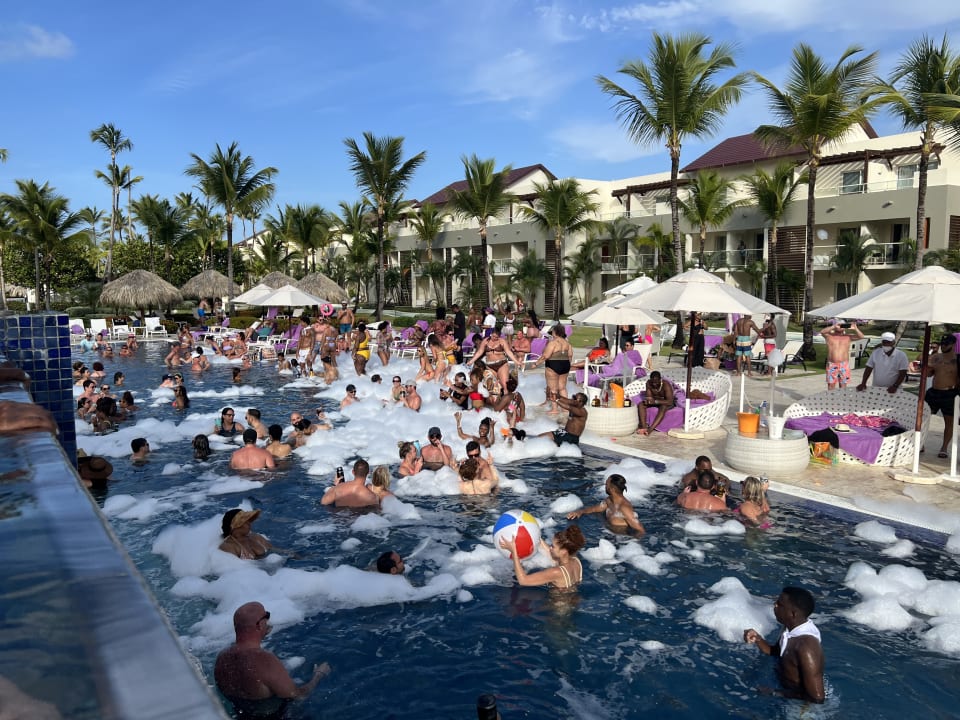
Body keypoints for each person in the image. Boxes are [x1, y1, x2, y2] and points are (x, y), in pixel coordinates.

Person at [215, 602, 332, 717]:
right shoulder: (264, 661)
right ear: (259, 625)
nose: (268, 621)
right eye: (266, 616)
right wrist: (318, 675)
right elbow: (299, 696)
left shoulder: (222, 658)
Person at [743, 587, 825, 703]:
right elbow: (776, 652)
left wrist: (774, 693)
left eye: (779, 604)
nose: (774, 605)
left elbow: (817, 698)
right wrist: (758, 638)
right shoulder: (790, 629)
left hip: (803, 707)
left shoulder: (806, 647)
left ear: (793, 614)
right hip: (788, 692)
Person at [500, 525, 585, 591]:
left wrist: (514, 551)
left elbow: (523, 580)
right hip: (573, 600)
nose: (550, 548)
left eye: (553, 546)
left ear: (564, 551)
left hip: (559, 605)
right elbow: (553, 555)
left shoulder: (556, 572)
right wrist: (535, 536)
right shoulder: (576, 561)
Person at [566, 474, 645, 534]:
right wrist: (580, 512)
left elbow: (640, 530)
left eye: (606, 484)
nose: (605, 486)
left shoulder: (624, 508)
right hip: (610, 535)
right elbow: (595, 508)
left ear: (612, 489)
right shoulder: (609, 500)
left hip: (622, 540)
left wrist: (631, 544)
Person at [924, 334, 960, 458]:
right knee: (923, 417)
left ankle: (944, 448)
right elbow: (928, 374)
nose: (944, 346)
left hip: (950, 393)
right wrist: (926, 366)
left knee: (949, 421)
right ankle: (921, 443)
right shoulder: (935, 357)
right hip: (934, 392)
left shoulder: (957, 359)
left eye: (946, 344)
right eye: (942, 343)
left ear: (953, 344)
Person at [533, 325, 573, 414]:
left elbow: (545, 356)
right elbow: (570, 355)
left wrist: (536, 364)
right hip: (565, 364)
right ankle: (565, 408)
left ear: (555, 332)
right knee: (562, 388)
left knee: (553, 389)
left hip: (553, 365)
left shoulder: (553, 343)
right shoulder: (567, 343)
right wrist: (567, 364)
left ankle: (555, 409)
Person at [470, 326, 518, 394]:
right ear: (491, 334)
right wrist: (471, 361)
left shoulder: (502, 341)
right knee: (492, 384)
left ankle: (507, 398)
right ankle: (495, 398)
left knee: (504, 385)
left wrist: (516, 361)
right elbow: (480, 352)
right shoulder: (485, 341)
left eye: (496, 337)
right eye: (493, 336)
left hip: (501, 364)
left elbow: (508, 352)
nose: (494, 338)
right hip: (490, 366)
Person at [821, 319, 864, 390]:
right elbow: (822, 332)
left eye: (842, 325)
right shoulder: (829, 336)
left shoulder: (848, 337)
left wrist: (855, 328)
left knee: (843, 386)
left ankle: (842, 397)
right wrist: (834, 326)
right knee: (831, 386)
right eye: (839, 325)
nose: (840, 326)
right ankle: (831, 398)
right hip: (832, 364)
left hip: (844, 365)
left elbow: (861, 336)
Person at [636, 371, 675, 435]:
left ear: (660, 379)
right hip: (655, 401)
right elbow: (649, 397)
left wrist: (655, 401)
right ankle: (644, 427)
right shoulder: (648, 383)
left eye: (656, 382)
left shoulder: (666, 385)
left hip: (666, 402)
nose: (654, 384)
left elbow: (670, 401)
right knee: (641, 404)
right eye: (653, 382)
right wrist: (648, 401)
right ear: (650, 379)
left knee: (663, 407)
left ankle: (650, 429)